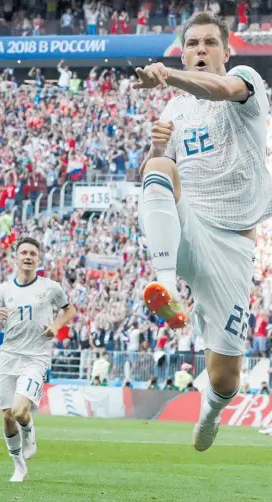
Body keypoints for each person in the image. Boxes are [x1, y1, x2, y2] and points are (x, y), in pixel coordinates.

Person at [135, 12, 272, 452]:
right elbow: (152, 176)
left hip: (233, 245)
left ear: (226, 51)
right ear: (182, 49)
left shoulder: (246, 81)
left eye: (209, 43)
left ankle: (209, 413)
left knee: (224, 378)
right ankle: (164, 282)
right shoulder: (173, 109)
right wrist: (158, 147)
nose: (199, 50)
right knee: (159, 166)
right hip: (189, 226)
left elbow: (222, 88)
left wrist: (169, 76)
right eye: (191, 43)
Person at [0, 237, 76, 482]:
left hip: (36, 356)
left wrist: (56, 325)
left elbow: (69, 310)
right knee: (7, 416)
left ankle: (29, 433)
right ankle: (19, 466)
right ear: (16, 257)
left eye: (33, 253)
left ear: (38, 259)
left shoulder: (50, 287)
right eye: (23, 252)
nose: (28, 257)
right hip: (9, 355)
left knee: (21, 411)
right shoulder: (3, 290)